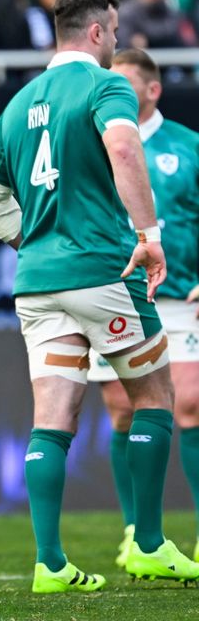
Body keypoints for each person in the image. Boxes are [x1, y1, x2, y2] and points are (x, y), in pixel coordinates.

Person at [0, 0, 199, 593]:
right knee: (154, 400)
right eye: (116, 31)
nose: (118, 40)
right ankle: (148, 543)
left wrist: (32, 241)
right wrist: (149, 235)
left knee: (52, 420)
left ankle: (49, 562)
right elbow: (124, 146)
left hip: (38, 284)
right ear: (98, 31)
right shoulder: (105, 86)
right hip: (104, 270)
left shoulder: (17, 104)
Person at [84, 47, 199, 568]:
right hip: (121, 294)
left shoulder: (189, 147)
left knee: (191, 405)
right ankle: (136, 530)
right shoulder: (97, 142)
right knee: (124, 409)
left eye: (126, 84)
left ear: (152, 90)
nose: (115, 93)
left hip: (183, 295)